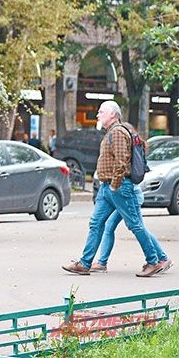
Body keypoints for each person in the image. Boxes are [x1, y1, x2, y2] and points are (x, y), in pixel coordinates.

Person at [62, 101, 170, 277]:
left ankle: (154, 261)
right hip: (107, 188)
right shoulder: (111, 132)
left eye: (101, 112)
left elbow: (122, 161)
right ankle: (84, 263)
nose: (98, 115)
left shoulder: (118, 132)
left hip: (118, 187)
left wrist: (114, 185)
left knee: (135, 224)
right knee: (96, 224)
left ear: (113, 114)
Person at [90, 123, 172, 273]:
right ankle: (161, 258)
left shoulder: (124, 140)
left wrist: (114, 186)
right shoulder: (136, 143)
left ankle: (160, 258)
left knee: (135, 226)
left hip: (128, 192)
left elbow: (122, 165)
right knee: (132, 226)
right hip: (129, 192)